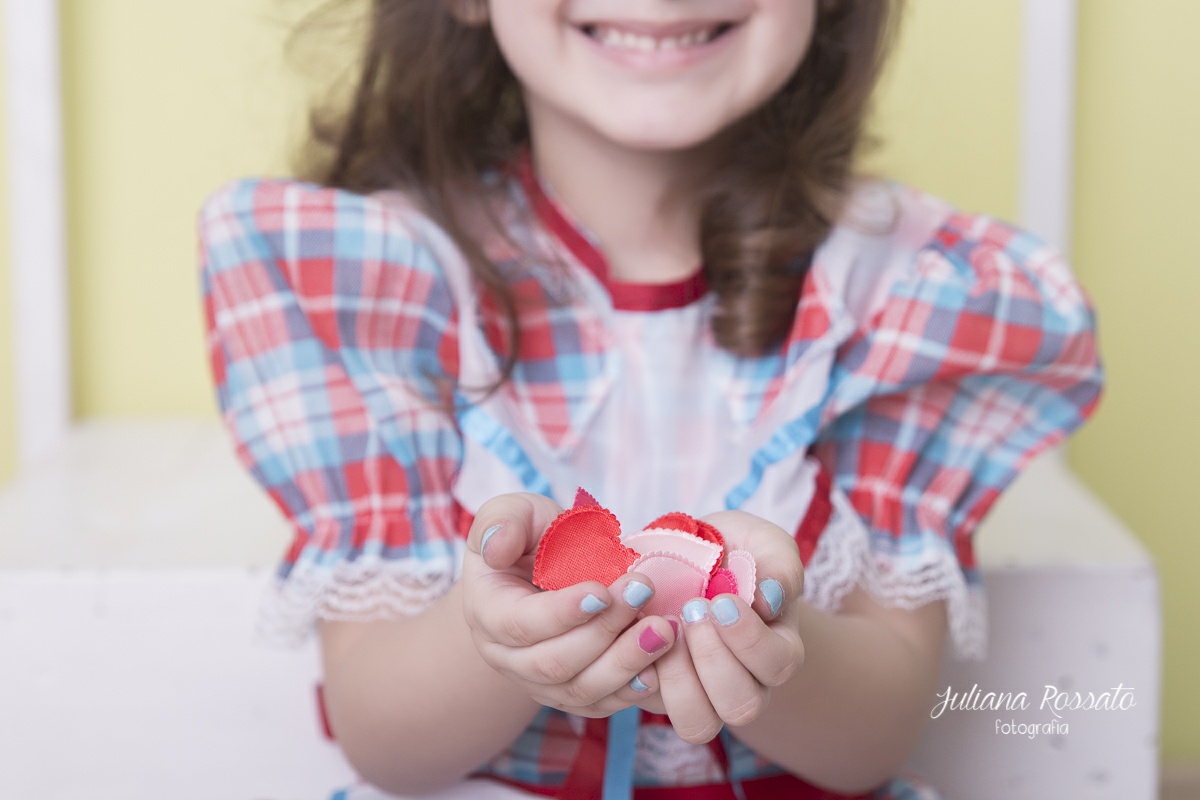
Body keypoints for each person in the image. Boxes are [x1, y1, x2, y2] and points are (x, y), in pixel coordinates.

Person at [198, 1, 1102, 798]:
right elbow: (384, 735)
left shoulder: (901, 296)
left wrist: (772, 640)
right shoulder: (375, 283)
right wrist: (501, 638)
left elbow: (877, 732)